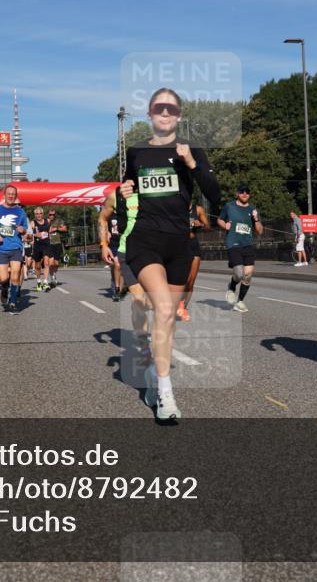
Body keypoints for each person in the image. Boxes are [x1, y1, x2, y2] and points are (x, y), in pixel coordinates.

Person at [119, 88, 221, 422]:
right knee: (163, 308)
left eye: (171, 109)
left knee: (168, 318)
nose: (165, 113)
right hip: (145, 239)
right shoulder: (137, 152)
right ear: (149, 113)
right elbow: (126, 189)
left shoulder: (192, 151)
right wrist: (124, 193)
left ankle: (152, 376)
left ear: (179, 115)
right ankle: (166, 392)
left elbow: (215, 194)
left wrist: (192, 164)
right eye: (158, 108)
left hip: (179, 243)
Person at [101, 188, 153, 364]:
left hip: (153, 252)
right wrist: (103, 244)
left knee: (151, 301)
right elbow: (102, 218)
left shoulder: (156, 190)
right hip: (127, 253)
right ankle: (144, 346)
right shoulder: (116, 196)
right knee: (137, 300)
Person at [218, 185, 263, 313]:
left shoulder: (252, 209)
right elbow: (219, 220)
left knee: (248, 275)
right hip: (233, 243)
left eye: (247, 192)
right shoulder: (229, 206)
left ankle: (240, 301)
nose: (244, 194)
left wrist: (256, 219)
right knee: (239, 273)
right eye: (242, 192)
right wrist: (224, 225)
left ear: (249, 194)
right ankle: (232, 286)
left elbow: (259, 230)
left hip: (248, 244)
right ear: (237, 193)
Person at [0, 185, 30, 313]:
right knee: (4, 278)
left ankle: (13, 302)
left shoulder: (20, 212)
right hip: (0, 248)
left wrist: (23, 230)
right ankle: (4, 288)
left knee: (15, 276)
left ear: (16, 196)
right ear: (4, 195)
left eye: (13, 194)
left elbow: (25, 228)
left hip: (15, 247)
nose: (11, 196)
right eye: (9, 194)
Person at [177, 201, 210, 321]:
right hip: (179, 245)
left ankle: (183, 306)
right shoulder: (175, 206)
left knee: (191, 281)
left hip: (193, 244)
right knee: (182, 279)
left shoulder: (198, 209)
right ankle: (176, 303)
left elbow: (208, 227)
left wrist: (200, 224)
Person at [99, 203, 123, 301]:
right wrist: (106, 234)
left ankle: (118, 289)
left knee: (120, 266)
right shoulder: (109, 214)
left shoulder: (127, 213)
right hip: (113, 243)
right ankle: (116, 285)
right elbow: (102, 225)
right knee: (116, 265)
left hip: (124, 242)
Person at [46, 209, 68, 287]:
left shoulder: (58, 221)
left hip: (57, 244)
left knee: (56, 263)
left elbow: (65, 229)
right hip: (49, 244)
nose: (52, 216)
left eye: (53, 215)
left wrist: (57, 229)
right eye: (50, 215)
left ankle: (54, 274)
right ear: (48, 215)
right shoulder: (46, 221)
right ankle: (52, 277)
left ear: (55, 215)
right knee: (51, 263)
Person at [31, 207, 51, 292]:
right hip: (37, 245)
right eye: (37, 214)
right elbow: (29, 233)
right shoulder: (33, 222)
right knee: (38, 266)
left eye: (40, 213)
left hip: (46, 244)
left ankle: (45, 282)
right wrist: (36, 235)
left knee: (46, 262)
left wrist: (49, 237)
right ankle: (39, 281)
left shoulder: (48, 221)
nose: (39, 215)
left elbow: (49, 232)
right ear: (35, 215)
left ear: (43, 214)